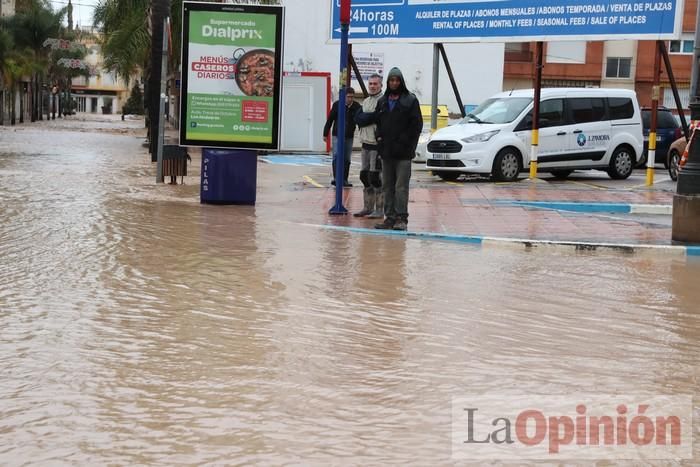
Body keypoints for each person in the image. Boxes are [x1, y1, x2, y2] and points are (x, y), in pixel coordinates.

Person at [373, 67, 422, 231]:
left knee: (400, 187)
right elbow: (378, 124)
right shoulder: (383, 101)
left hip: (403, 153)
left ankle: (401, 218)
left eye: (397, 80)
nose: (394, 83)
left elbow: (416, 125)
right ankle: (390, 218)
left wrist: (406, 142)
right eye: (391, 80)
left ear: (401, 82)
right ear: (388, 83)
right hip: (386, 152)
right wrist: (379, 140)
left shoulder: (410, 100)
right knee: (387, 186)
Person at [353, 74, 384, 218]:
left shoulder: (383, 101)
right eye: (370, 83)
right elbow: (358, 119)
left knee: (376, 177)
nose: (372, 86)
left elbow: (377, 118)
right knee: (364, 176)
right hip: (364, 144)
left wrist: (367, 117)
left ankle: (379, 209)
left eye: (375, 84)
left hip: (376, 145)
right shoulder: (365, 102)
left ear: (381, 85)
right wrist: (369, 117)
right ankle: (367, 207)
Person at [323, 87, 361, 187]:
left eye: (352, 97)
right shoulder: (337, 105)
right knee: (336, 156)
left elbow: (360, 121)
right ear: (344, 97)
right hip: (337, 135)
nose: (350, 99)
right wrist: (325, 133)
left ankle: (344, 179)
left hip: (349, 136)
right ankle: (336, 178)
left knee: (347, 158)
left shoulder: (356, 106)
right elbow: (330, 119)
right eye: (348, 97)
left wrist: (362, 133)